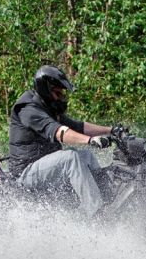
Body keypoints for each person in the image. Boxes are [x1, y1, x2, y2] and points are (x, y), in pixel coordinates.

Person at [8, 65, 114, 216]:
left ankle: (107, 198)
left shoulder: (47, 107)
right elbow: (59, 132)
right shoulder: (28, 108)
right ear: (46, 89)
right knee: (70, 158)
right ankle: (97, 213)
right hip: (25, 174)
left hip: (43, 168)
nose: (61, 98)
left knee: (86, 156)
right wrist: (90, 140)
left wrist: (111, 130)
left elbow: (78, 127)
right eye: (58, 93)